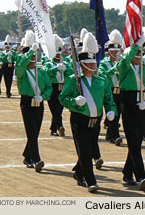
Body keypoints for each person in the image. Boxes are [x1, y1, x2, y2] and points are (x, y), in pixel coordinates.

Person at [59, 32, 117, 193]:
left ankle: (78, 172)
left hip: (95, 121)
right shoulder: (73, 79)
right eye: (89, 64)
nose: (92, 66)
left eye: (93, 64)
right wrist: (74, 101)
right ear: (82, 65)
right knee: (84, 150)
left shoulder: (101, 81)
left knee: (90, 150)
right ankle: (91, 180)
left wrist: (111, 111)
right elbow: (63, 98)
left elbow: (109, 100)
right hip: (79, 120)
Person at [116, 35, 145, 191]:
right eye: (135, 54)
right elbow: (123, 61)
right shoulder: (125, 68)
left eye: (139, 54)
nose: (138, 56)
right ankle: (141, 176)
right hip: (128, 104)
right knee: (133, 142)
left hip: (143, 104)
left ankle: (127, 172)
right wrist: (136, 45)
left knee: (138, 141)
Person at [15, 30, 52, 172]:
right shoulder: (22, 71)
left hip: (39, 102)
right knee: (31, 131)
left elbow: (49, 87)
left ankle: (27, 154)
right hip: (27, 102)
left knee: (35, 131)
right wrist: (30, 51)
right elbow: (19, 69)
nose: (33, 58)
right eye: (31, 56)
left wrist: (43, 97)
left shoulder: (41, 71)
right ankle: (36, 159)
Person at [43, 34, 72, 136]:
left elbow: (71, 71)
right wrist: (56, 68)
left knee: (59, 109)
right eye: (56, 54)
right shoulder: (48, 63)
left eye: (59, 54)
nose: (58, 55)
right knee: (54, 109)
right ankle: (60, 126)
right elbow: (46, 72)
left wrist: (66, 68)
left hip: (62, 88)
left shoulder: (64, 62)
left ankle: (53, 128)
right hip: (52, 88)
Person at [98, 29, 124, 146]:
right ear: (109, 52)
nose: (116, 53)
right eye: (113, 51)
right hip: (109, 91)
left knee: (117, 114)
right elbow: (103, 75)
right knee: (113, 112)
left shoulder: (122, 62)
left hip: (120, 91)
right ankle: (115, 136)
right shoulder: (104, 62)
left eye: (117, 51)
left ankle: (110, 135)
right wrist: (114, 69)